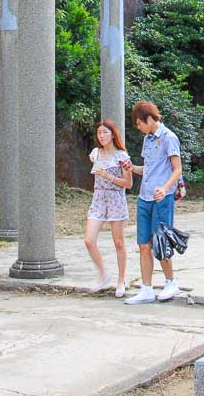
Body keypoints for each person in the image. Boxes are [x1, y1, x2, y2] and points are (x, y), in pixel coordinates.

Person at [120, 100, 183, 305]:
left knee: (161, 242)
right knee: (143, 244)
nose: (138, 128)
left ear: (148, 119)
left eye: (139, 123)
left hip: (162, 198)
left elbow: (177, 170)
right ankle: (146, 289)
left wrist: (165, 188)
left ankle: (170, 282)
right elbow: (147, 169)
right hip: (144, 197)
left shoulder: (169, 138)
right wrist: (131, 167)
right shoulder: (147, 139)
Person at [84, 119, 132, 297]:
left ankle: (121, 280)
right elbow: (92, 156)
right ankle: (103, 274)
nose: (102, 135)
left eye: (105, 132)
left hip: (115, 199)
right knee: (89, 240)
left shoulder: (122, 156)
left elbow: (128, 183)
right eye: (99, 132)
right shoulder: (96, 153)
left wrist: (108, 176)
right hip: (98, 198)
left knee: (118, 242)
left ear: (112, 134)